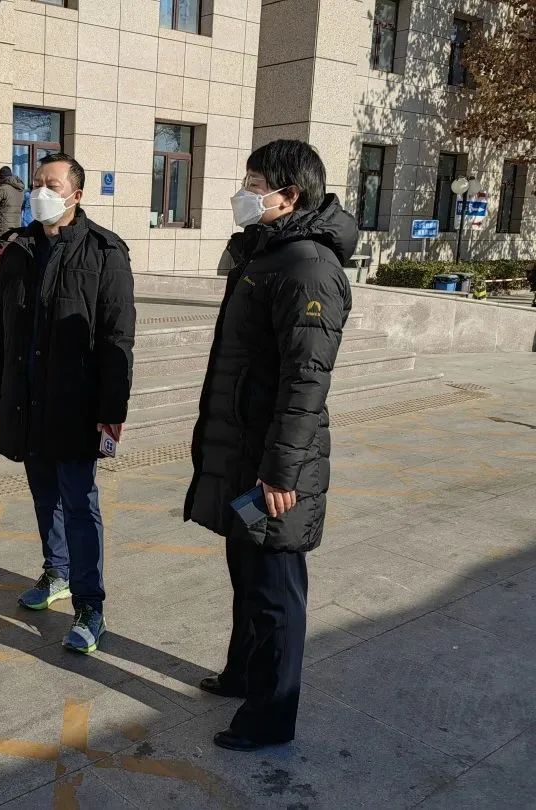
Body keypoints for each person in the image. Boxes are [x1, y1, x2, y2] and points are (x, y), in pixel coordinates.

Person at [184, 140, 355, 751]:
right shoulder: (266, 254)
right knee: (247, 573)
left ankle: (271, 716)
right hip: (246, 452)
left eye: (255, 184)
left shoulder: (307, 266)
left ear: (290, 195)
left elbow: (306, 379)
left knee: (275, 589)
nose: (244, 192)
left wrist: (281, 473)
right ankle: (242, 674)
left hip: (276, 467)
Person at [0, 152, 135, 655]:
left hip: (76, 406)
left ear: (76, 195)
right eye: (36, 184)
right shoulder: (19, 250)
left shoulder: (105, 252)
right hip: (25, 401)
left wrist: (112, 411)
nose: (40, 193)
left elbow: (117, 337)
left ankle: (90, 606)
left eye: (52, 185)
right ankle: (57, 573)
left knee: (79, 503)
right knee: (44, 495)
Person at [0, 166, 25, 243]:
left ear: (1, 178)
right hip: (15, 228)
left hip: (2, 229)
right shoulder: (19, 189)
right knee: (11, 249)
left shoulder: (2, 188)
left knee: (2, 249)